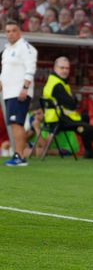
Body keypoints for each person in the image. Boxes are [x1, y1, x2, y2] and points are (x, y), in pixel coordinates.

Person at [0, 20, 37, 166]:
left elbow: (30, 69)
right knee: (14, 124)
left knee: (17, 124)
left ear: (19, 32)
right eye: (8, 31)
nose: (10, 34)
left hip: (19, 92)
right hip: (8, 93)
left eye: (13, 30)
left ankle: (20, 156)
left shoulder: (26, 47)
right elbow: (4, 73)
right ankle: (18, 155)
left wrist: (25, 88)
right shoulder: (7, 50)